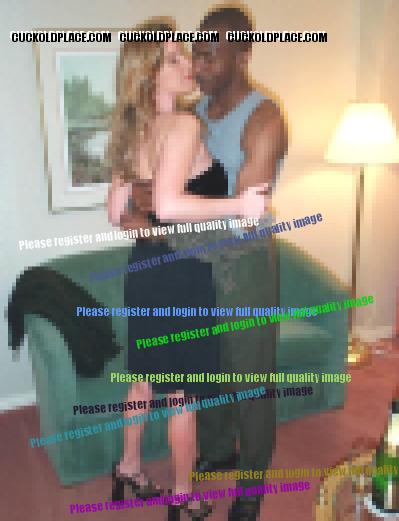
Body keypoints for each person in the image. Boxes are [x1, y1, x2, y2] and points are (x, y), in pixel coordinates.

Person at [107, 18, 269, 521]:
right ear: (150, 73)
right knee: (182, 394)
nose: (189, 64)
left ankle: (128, 468)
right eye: (175, 58)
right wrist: (239, 205)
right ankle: (183, 496)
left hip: (144, 269)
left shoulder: (132, 131)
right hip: (181, 273)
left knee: (143, 381)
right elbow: (171, 205)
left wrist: (152, 223)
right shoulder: (183, 125)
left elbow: (116, 213)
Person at [190, 7, 288, 521]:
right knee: (208, 367)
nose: (200, 64)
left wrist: (174, 206)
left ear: (243, 54)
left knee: (250, 379)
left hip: (244, 262)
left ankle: (251, 485)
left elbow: (245, 209)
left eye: (212, 54)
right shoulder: (196, 113)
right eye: (197, 53)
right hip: (197, 258)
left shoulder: (264, 118)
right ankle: (216, 450)